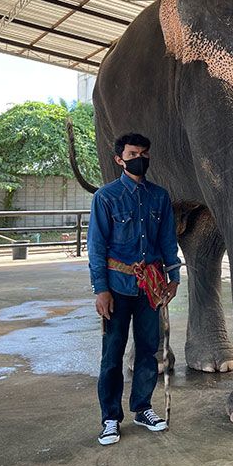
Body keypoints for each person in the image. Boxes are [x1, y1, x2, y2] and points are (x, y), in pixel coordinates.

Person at [87, 133, 181, 446]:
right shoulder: (106, 197)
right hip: (117, 287)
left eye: (143, 153)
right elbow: (96, 247)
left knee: (149, 351)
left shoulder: (160, 197)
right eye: (132, 154)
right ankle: (110, 418)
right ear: (119, 159)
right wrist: (101, 290)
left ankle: (142, 408)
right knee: (112, 355)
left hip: (151, 288)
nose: (138, 158)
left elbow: (167, 240)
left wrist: (173, 277)